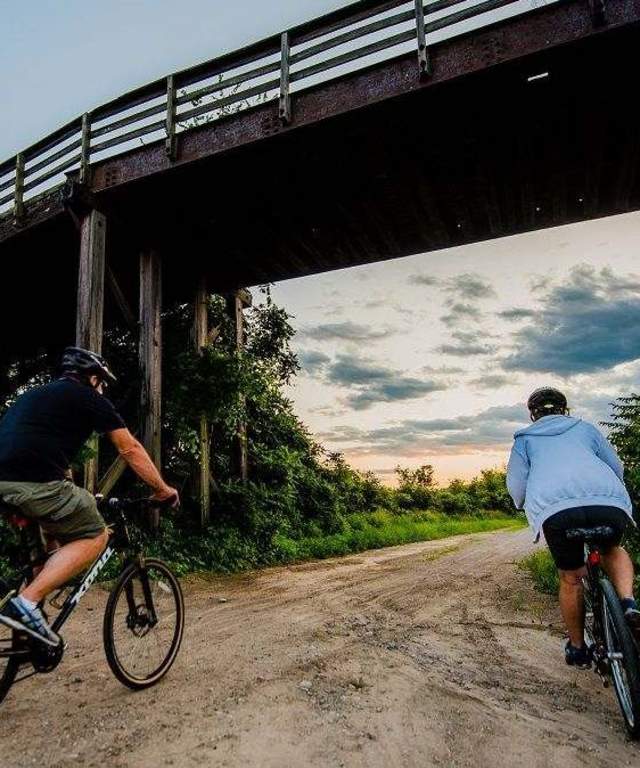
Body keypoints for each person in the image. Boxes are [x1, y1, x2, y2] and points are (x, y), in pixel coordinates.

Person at [0, 347, 179, 647]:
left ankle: (29, 633)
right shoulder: (89, 398)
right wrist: (162, 489)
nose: (103, 389)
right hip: (33, 484)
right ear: (93, 378)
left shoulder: (35, 397)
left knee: (49, 544)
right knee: (96, 535)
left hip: (8, 484)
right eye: (102, 382)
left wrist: (79, 494)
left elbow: (48, 456)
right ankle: (27, 604)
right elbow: (129, 448)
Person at [507, 387, 639, 667]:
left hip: (558, 512)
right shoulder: (586, 429)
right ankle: (628, 603)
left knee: (571, 577)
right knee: (612, 549)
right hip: (607, 501)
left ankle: (578, 648)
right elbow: (616, 466)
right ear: (565, 410)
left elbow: (517, 485)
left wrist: (521, 503)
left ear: (533, 414)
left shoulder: (525, 439)